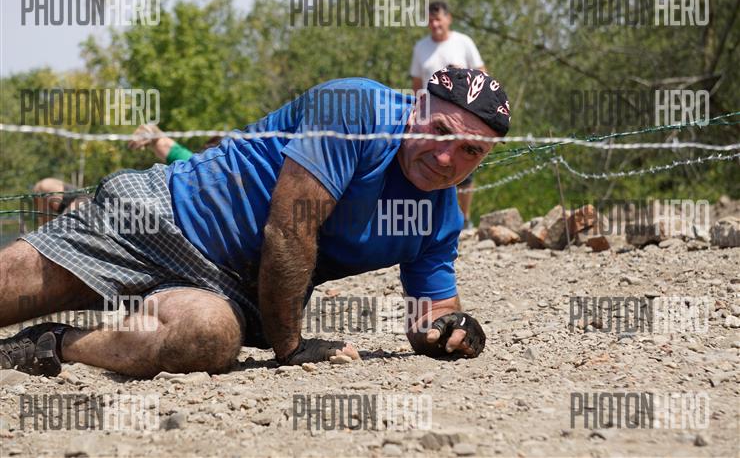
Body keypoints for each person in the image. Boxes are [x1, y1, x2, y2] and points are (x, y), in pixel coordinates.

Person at [0, 68, 511, 378]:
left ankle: (53, 342)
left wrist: (451, 330)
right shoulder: (355, 108)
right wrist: (290, 348)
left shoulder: (439, 216)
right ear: (417, 105)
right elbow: (289, 228)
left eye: (470, 151)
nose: (446, 159)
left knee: (209, 338)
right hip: (156, 219)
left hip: (232, 290)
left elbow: (432, 312)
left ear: (484, 157)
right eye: (441, 131)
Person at [30, 125, 218, 226]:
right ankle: (43, 245)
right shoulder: (193, 164)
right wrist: (149, 131)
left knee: (79, 209)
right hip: (107, 201)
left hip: (133, 219)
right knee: (45, 188)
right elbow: (160, 139)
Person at [411, 1, 487, 228]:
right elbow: (416, 84)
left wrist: (463, 74)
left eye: (438, 19)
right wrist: (416, 111)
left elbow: (483, 75)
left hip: (461, 116)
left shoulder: (463, 42)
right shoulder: (421, 47)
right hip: (431, 119)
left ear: (448, 19)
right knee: (431, 162)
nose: (434, 24)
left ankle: (464, 219)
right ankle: (433, 220)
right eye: (430, 20)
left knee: (462, 166)